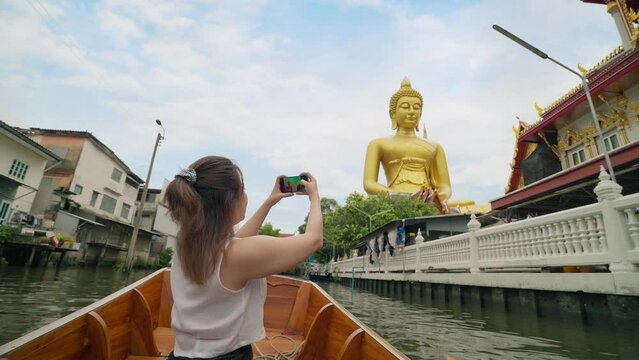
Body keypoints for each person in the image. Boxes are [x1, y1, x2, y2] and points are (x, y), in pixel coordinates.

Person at [163, 156, 322, 360]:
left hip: (181, 354)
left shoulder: (186, 243)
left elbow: (235, 243)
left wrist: (269, 203)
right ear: (231, 201)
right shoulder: (235, 255)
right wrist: (314, 197)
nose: (245, 194)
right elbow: (314, 240)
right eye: (243, 188)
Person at [363, 77, 452, 211]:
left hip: (427, 200)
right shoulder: (378, 144)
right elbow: (369, 183)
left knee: (468, 205)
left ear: (420, 113)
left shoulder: (435, 147)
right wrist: (396, 196)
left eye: (416, 108)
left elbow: (445, 186)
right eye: (405, 107)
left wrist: (438, 197)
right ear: (392, 113)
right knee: (366, 203)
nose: (411, 111)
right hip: (394, 201)